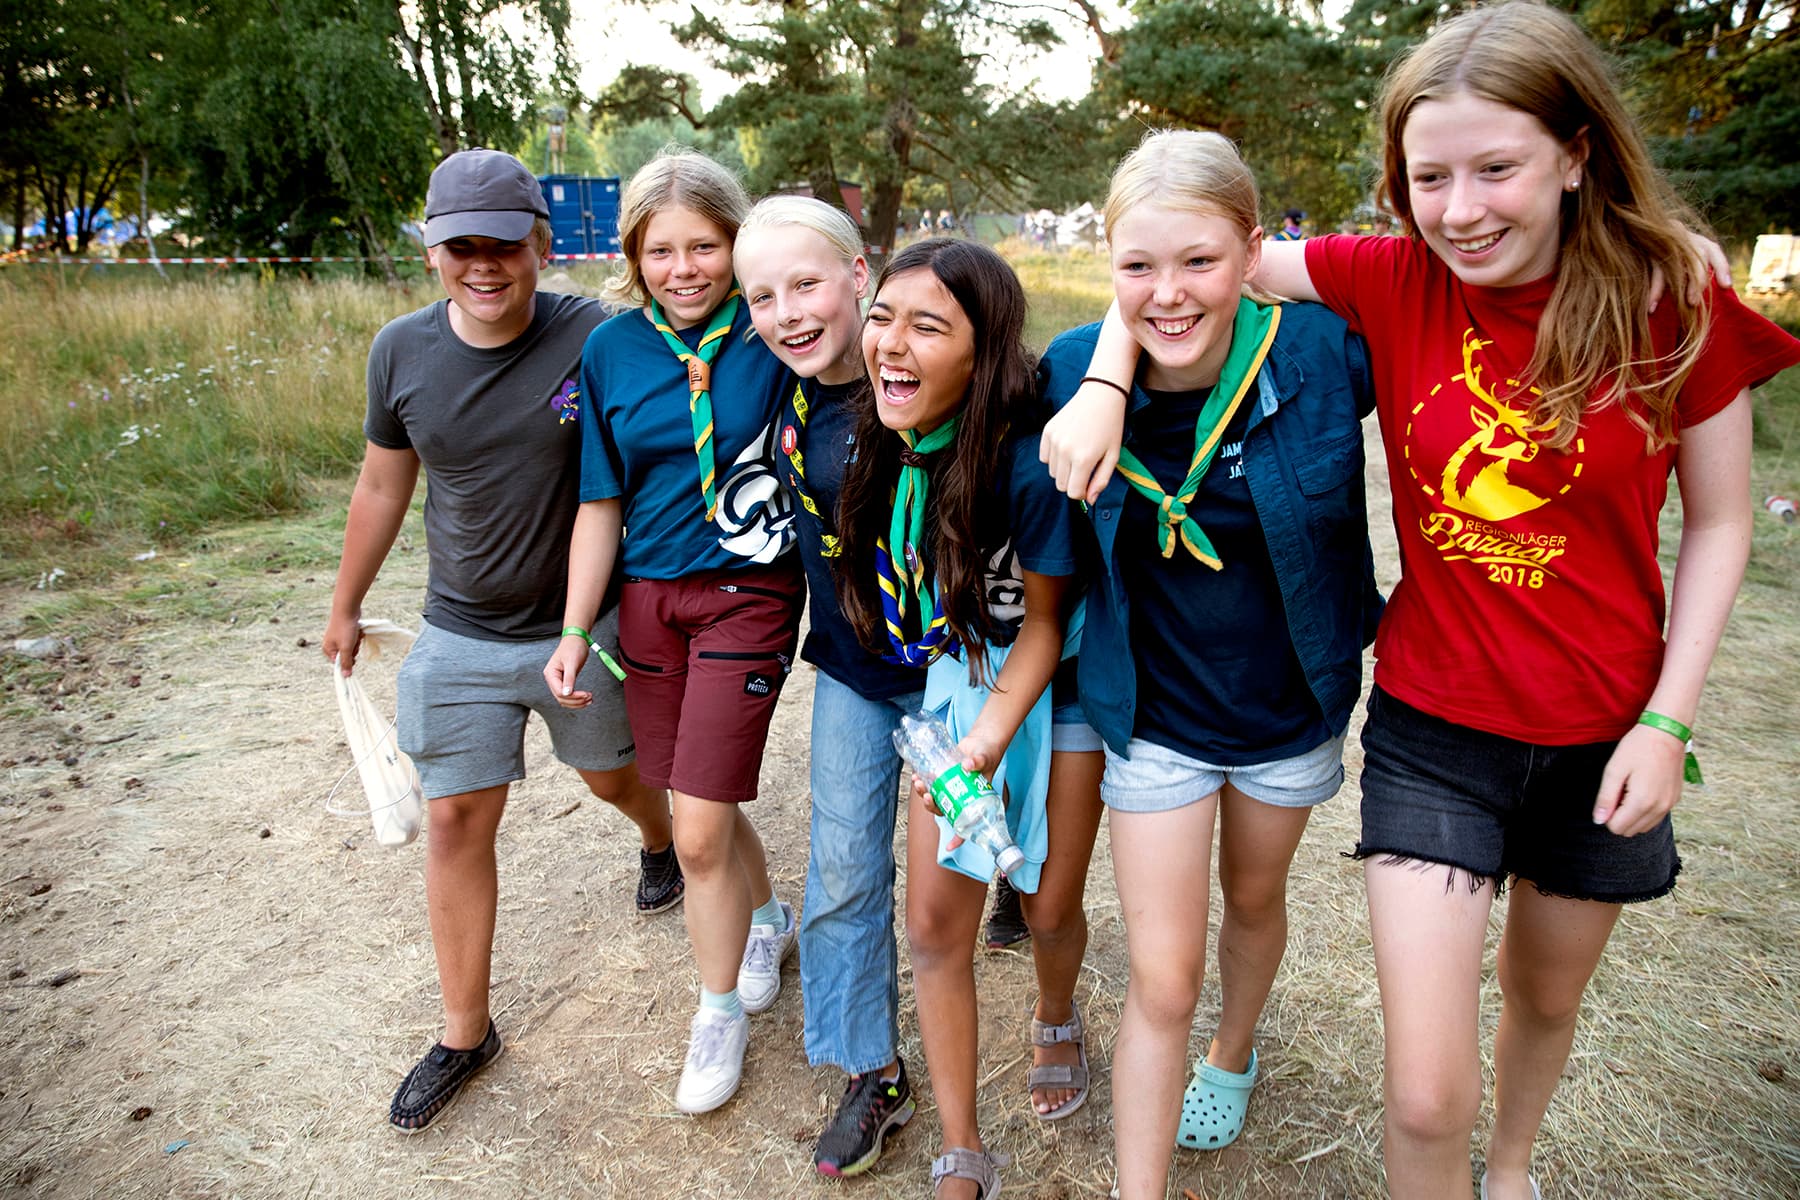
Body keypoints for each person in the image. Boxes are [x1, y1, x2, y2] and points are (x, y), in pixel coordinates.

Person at [1040, 5, 1800, 1197]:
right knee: (1423, 1089)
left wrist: (1671, 719)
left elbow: (1720, 524)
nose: (1460, 210)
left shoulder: (1669, 303)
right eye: (1428, 176)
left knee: (1544, 1000)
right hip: (1435, 723)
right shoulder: (1393, 279)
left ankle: (1511, 1173)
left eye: (1496, 168)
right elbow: (1186, 273)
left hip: (1607, 731)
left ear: (1576, 152)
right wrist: (1099, 380)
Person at [1036, 130, 1380, 1200]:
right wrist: (1102, 371)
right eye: (1138, 265)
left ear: (1251, 248)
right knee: (1161, 975)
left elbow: (1466, 296)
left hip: (1292, 708)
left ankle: (1234, 1055)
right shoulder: (1064, 374)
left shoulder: (1325, 352)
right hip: (1157, 719)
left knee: (1256, 894)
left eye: (1199, 261)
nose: (1169, 293)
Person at [321, 148, 680, 1134]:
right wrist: (347, 602)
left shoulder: (595, 335)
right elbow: (383, 484)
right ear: (434, 252)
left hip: (582, 625)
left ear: (541, 243)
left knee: (614, 779)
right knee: (454, 820)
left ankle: (660, 842)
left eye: (503, 245)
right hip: (460, 632)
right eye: (459, 247)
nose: (483, 266)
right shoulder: (400, 352)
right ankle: (465, 1031)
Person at [833, 238, 1106, 1199]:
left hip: (1054, 691)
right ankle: (962, 1147)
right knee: (934, 926)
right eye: (884, 317)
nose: (891, 344)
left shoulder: (1030, 467)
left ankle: (1058, 1012)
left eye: (927, 326)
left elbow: (1042, 629)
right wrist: (957, 730)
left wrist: (986, 745)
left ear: (984, 351)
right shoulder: (885, 443)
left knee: (1047, 903)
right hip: (961, 682)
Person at [543, 149, 804, 1116]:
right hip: (650, 600)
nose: (685, 268)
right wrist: (577, 627)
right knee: (703, 797)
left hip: (750, 590)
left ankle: (717, 1010)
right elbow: (599, 502)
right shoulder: (611, 351)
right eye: (662, 250)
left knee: (693, 829)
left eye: (705, 246)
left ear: (736, 247)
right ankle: (769, 919)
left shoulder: (772, 332)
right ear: (633, 256)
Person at [730, 196, 921, 1176]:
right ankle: (872, 1069)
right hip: (851, 670)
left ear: (861, 275)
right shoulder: (774, 383)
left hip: (957, 676)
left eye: (806, 283)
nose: (786, 312)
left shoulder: (935, 372)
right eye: (761, 295)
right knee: (845, 869)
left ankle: (1035, 951)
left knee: (994, 877)